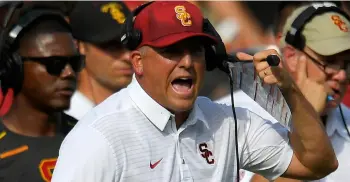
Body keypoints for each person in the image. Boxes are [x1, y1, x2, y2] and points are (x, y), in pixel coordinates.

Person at [52, 1, 337, 181]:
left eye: (196, 51)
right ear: (138, 62)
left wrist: (289, 90)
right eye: (172, 51)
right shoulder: (100, 136)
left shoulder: (228, 122)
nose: (187, 62)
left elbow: (317, 164)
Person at [251, 3, 350, 182]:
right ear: (291, 57)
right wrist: (307, 113)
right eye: (329, 61)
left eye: (347, 64)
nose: (342, 75)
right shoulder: (244, 112)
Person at [0, 4, 84, 182]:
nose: (68, 73)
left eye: (75, 63)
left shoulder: (93, 136)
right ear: (14, 66)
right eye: (54, 63)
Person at [64, 1, 133, 120]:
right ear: (80, 46)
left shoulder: (142, 116)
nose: (128, 56)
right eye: (112, 46)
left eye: (131, 44)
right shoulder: (65, 123)